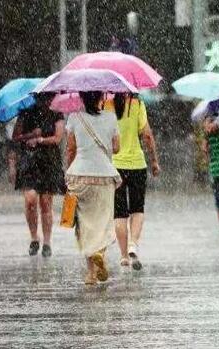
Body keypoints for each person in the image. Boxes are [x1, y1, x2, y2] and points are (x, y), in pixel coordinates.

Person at [65, 91, 121, 285]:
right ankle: (99, 255)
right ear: (101, 98)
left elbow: (70, 149)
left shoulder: (74, 116)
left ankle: (90, 274)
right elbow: (116, 148)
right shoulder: (111, 117)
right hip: (104, 176)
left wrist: (68, 172)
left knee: (84, 224)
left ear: (81, 97)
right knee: (103, 222)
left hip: (79, 175)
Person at [109, 94, 160, 270]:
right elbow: (146, 134)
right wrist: (154, 160)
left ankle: (123, 256)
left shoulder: (107, 105)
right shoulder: (137, 103)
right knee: (137, 209)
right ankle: (133, 244)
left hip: (115, 165)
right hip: (137, 164)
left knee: (119, 213)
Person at [12, 93, 65, 258]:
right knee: (30, 200)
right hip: (29, 163)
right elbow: (16, 137)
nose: (45, 101)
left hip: (49, 163)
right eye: (42, 97)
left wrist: (40, 140)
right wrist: (32, 135)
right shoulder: (26, 112)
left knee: (46, 204)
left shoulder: (57, 113)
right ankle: (34, 238)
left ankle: (47, 242)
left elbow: (57, 138)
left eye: (48, 97)